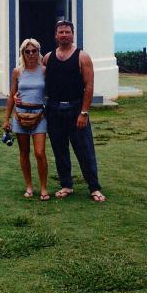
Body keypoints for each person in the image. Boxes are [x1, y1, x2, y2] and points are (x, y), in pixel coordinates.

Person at [43, 20, 106, 202]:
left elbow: (89, 86)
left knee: (84, 150)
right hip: (54, 110)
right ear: (56, 35)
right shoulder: (48, 58)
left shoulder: (82, 57)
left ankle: (94, 187)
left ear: (73, 34)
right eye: (61, 32)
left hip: (76, 109)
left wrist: (84, 112)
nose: (64, 35)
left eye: (67, 32)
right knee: (59, 150)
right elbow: (40, 82)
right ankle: (66, 185)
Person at [3, 38, 49, 201]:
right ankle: (29, 186)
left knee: (40, 152)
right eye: (27, 51)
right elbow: (11, 95)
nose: (30, 54)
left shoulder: (44, 70)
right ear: (22, 53)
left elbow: (51, 91)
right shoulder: (17, 71)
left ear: (38, 51)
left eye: (33, 51)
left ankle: (43, 187)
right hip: (20, 116)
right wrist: (6, 119)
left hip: (39, 116)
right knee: (24, 152)